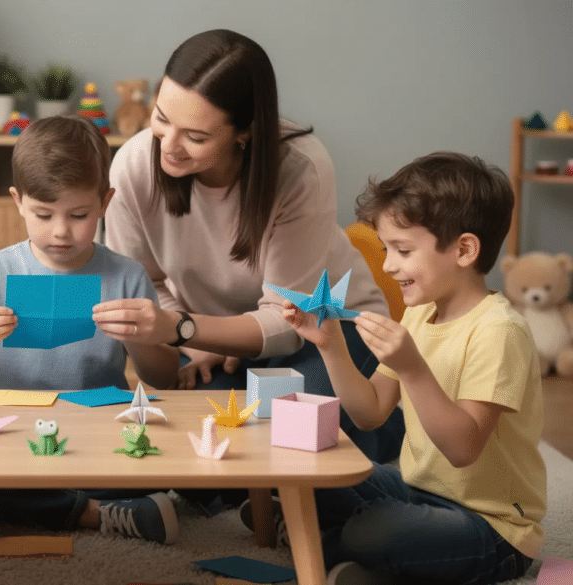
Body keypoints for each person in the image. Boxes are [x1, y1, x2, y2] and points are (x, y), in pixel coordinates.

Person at [94, 29, 404, 467]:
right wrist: (193, 336)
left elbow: (286, 317)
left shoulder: (301, 170)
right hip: (209, 336)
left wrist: (184, 328)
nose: (169, 145)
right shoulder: (132, 167)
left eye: (196, 137)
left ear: (245, 132)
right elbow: (150, 284)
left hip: (326, 328)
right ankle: (364, 431)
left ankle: (381, 429)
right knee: (204, 445)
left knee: (294, 430)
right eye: (161, 117)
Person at [281, 152, 544, 584]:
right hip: (418, 490)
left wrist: (413, 369)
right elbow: (369, 413)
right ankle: (338, 546)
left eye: (403, 250)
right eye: (387, 249)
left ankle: (322, 544)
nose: (387, 265)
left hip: (491, 527)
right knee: (319, 472)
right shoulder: (421, 314)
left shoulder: (500, 332)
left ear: (464, 249)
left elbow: (463, 450)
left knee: (373, 532)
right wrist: (330, 346)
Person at [0, 115, 181, 544]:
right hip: (12, 428)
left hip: (98, 429)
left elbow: (164, 378)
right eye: (43, 214)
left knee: (158, 468)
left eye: (79, 215)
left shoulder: (126, 275)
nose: (61, 231)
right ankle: (92, 513)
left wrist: (142, 337)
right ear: (18, 201)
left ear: (105, 203)